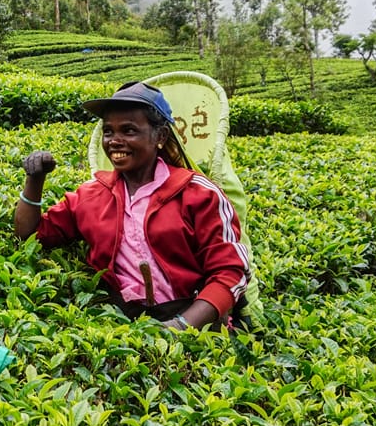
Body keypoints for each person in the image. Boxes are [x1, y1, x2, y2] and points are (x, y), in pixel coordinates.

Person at [13, 81, 250, 332]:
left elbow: (229, 272)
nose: (115, 141)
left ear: (160, 137)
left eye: (128, 131)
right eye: (108, 132)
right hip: (123, 320)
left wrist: (181, 326)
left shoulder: (198, 193)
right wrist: (35, 180)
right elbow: (30, 236)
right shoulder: (92, 195)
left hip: (194, 319)